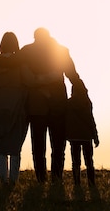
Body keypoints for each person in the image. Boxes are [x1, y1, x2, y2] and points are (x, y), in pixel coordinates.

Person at [20, 27, 84, 183]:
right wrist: (81, 93)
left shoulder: (26, 51)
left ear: (35, 37)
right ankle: (56, 176)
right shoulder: (61, 50)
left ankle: (41, 178)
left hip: (36, 104)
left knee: (38, 145)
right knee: (58, 144)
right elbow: (72, 75)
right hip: (58, 103)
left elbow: (21, 76)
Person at [0, 32, 29, 185]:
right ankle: (13, 180)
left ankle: (3, 179)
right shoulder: (22, 63)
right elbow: (28, 81)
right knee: (15, 146)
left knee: (1, 145)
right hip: (16, 107)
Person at [66, 79, 99, 186]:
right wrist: (95, 136)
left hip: (73, 137)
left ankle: (77, 183)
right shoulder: (86, 103)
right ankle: (91, 183)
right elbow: (90, 120)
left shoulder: (68, 103)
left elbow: (65, 120)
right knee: (89, 161)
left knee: (76, 162)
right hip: (86, 136)